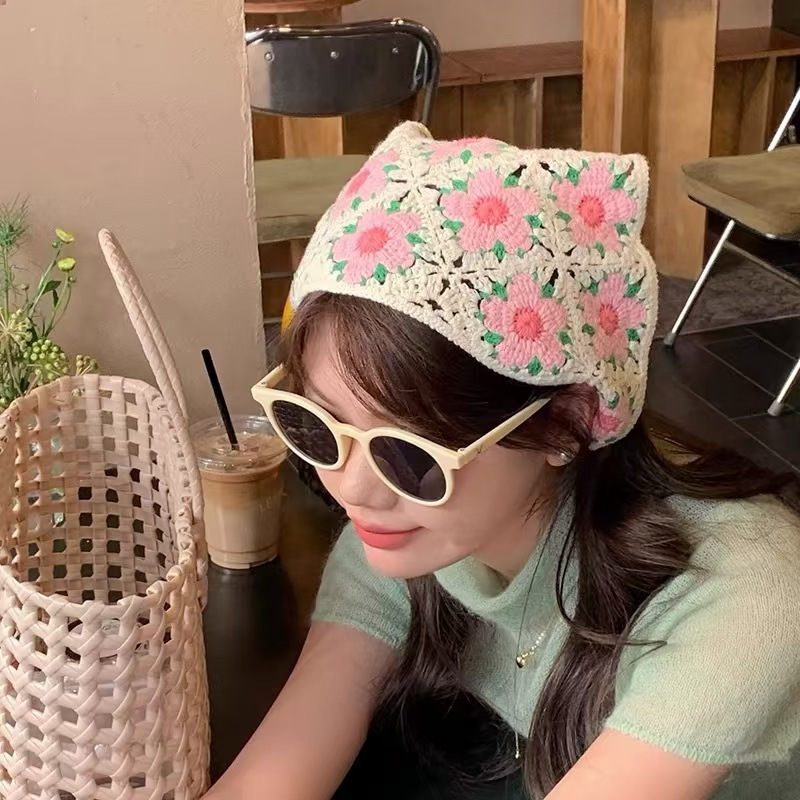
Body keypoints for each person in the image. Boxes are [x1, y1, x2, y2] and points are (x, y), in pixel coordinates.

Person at [207, 122, 800, 800]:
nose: (353, 488)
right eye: (316, 424)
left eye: (410, 452)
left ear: (567, 422)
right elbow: (275, 771)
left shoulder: (742, 593)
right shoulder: (411, 526)